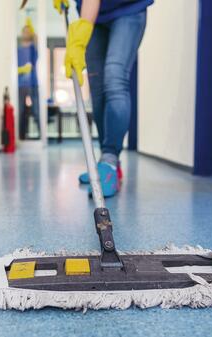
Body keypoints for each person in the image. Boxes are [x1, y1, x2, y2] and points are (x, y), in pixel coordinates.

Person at [54, 0, 152, 197]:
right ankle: (106, 163)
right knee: (97, 90)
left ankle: (109, 161)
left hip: (128, 9)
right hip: (96, 17)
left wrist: (80, 36)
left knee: (115, 78)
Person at [17, 18, 40, 140]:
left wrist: (31, 26)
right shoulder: (17, 49)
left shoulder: (33, 47)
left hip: (33, 84)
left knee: (36, 110)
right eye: (24, 31)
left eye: (28, 31)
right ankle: (21, 136)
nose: (26, 33)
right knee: (21, 111)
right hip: (20, 85)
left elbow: (36, 40)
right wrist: (21, 69)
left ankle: (42, 136)